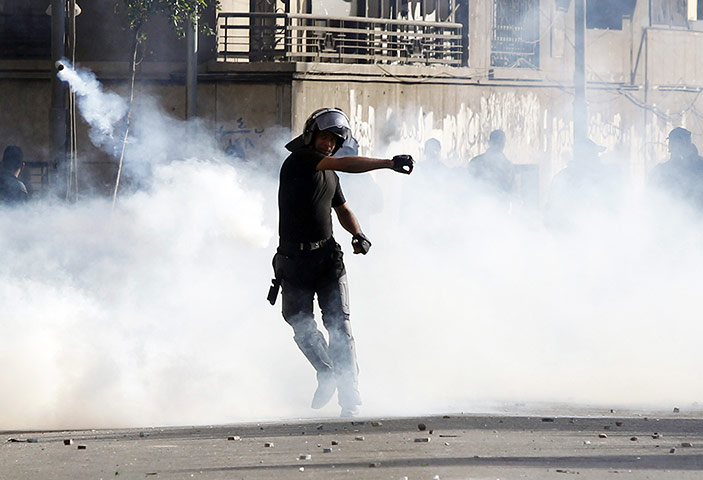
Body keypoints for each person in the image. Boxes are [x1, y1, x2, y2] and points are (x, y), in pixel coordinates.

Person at [270, 107, 414, 417]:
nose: (329, 144)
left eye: (335, 141)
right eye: (325, 138)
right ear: (311, 136)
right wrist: (388, 163)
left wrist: (359, 233)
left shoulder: (329, 174)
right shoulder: (301, 160)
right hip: (293, 261)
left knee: (340, 327)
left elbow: (343, 210)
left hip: (327, 259)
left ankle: (350, 399)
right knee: (301, 325)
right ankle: (326, 371)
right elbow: (346, 163)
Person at [544, 138, 621, 230]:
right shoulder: (564, 179)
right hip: (570, 235)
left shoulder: (597, 178)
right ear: (584, 158)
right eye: (594, 155)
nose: (597, 159)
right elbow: (552, 212)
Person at [648, 127, 703, 210]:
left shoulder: (700, 166)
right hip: (670, 218)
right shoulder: (661, 171)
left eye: (679, 143)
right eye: (673, 144)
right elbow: (651, 199)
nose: (676, 147)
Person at [467, 129, 515, 206]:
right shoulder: (476, 162)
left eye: (501, 142)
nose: (500, 145)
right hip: (479, 207)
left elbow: (509, 191)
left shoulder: (507, 165)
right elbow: (468, 185)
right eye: (498, 142)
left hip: (496, 208)